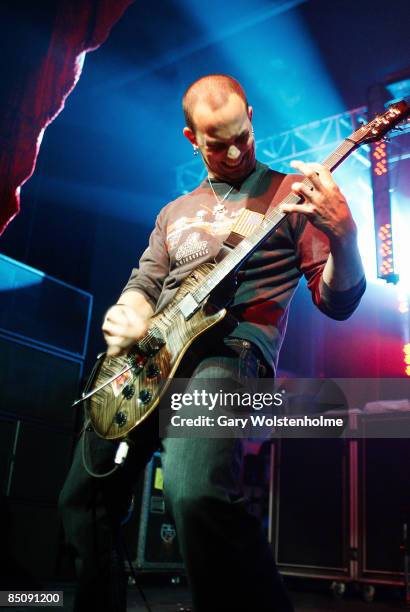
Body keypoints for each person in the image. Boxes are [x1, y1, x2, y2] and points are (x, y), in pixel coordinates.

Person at [59, 74, 366, 612]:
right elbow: (144, 282)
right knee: (83, 502)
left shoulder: (288, 197)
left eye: (241, 136)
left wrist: (345, 236)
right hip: (147, 360)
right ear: (190, 139)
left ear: (251, 115)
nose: (232, 151)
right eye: (215, 142)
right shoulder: (173, 213)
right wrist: (129, 313)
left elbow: (338, 302)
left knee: (196, 494)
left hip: (229, 355)